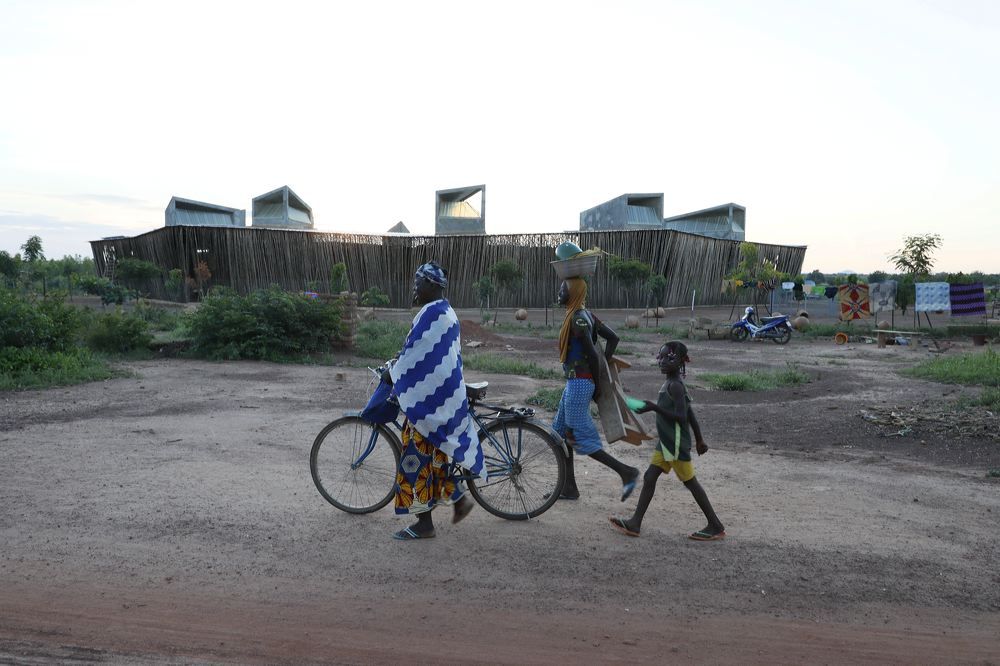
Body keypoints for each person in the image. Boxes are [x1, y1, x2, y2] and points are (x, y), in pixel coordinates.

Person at [383, 261, 486, 540]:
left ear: (431, 285)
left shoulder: (431, 315)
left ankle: (424, 524)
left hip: (430, 402)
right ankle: (458, 499)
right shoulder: (446, 311)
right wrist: (403, 363)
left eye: (419, 281)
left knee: (414, 460)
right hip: (443, 396)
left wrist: (395, 372)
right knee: (435, 457)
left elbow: (415, 357)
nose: (415, 287)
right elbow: (419, 352)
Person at [609, 341, 726, 541]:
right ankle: (635, 523)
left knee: (691, 483)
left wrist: (654, 408)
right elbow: (690, 413)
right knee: (649, 477)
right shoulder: (670, 383)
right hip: (666, 443)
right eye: (661, 357)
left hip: (676, 443)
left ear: (681, 361)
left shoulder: (676, 386)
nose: (663, 361)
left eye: (669, 358)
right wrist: (700, 439)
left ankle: (715, 525)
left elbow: (682, 417)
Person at [552, 277, 639, 501]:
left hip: (580, 383)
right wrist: (601, 366)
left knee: (577, 437)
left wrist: (598, 381)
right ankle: (569, 487)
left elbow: (591, 353)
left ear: (574, 293)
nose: (559, 292)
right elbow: (613, 338)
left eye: (563, 289)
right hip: (575, 382)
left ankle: (626, 471)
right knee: (559, 435)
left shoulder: (578, 319)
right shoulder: (584, 315)